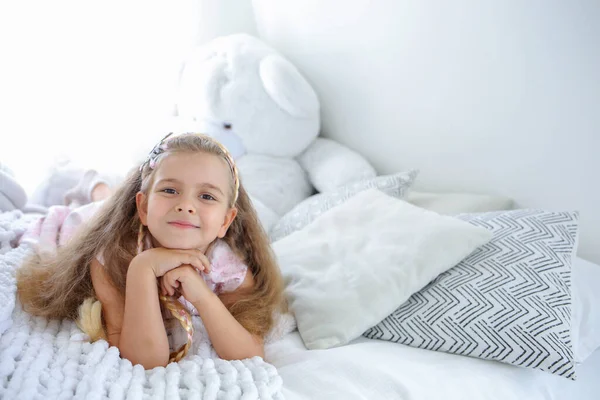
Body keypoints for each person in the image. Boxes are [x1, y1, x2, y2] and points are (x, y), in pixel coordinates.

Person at [16, 132, 285, 369]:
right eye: (170, 189)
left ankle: (99, 187)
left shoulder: (228, 268)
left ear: (226, 221)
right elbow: (144, 360)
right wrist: (143, 268)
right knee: (95, 208)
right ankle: (90, 184)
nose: (186, 205)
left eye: (206, 196)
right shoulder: (111, 256)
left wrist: (201, 294)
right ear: (143, 207)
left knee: (106, 197)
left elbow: (251, 354)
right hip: (88, 222)